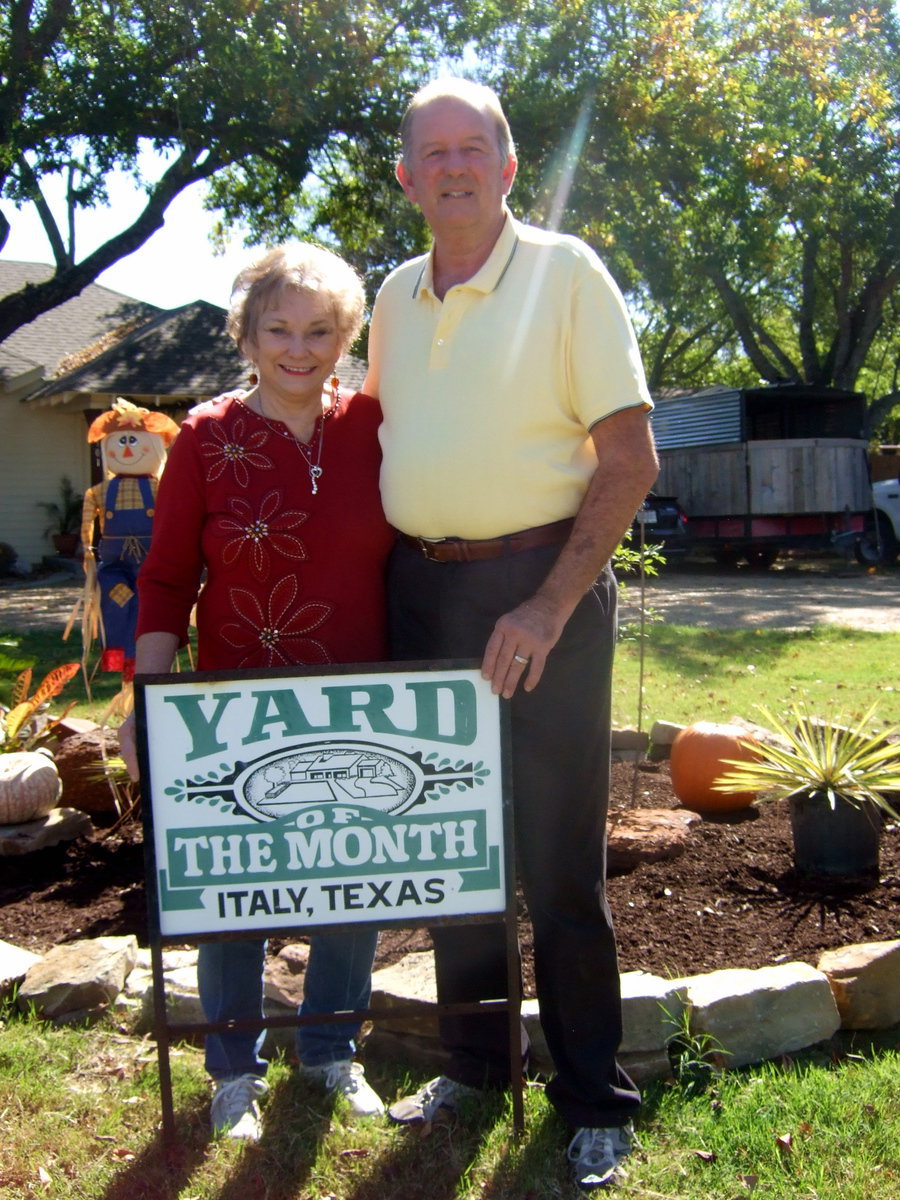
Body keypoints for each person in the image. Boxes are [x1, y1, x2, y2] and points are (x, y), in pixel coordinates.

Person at [364, 78, 660, 1190]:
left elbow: (629, 461)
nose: (451, 166)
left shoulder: (566, 272)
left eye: (471, 147)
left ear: (506, 164)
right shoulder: (391, 296)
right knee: (453, 850)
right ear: (404, 175)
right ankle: (478, 1068)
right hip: (421, 593)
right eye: (430, 151)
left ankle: (594, 1097)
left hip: (547, 591)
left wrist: (547, 603)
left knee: (557, 864)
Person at [119, 243, 395, 1141]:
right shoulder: (204, 436)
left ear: (346, 336)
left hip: (361, 698)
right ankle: (233, 1068)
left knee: (351, 881)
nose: (299, 348)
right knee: (234, 892)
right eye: (278, 328)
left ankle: (329, 1052)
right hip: (234, 703)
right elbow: (164, 580)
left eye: (320, 330)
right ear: (245, 332)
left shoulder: (376, 425)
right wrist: (146, 701)